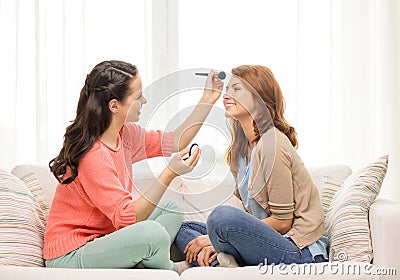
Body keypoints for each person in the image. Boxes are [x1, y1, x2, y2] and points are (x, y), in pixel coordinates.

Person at [43, 60, 223, 274]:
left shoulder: (125, 135)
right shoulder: (93, 156)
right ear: (114, 105)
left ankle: (142, 260)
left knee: (170, 208)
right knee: (152, 234)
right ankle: (172, 270)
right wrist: (169, 173)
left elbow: (176, 141)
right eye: (138, 97)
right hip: (71, 253)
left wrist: (208, 99)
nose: (144, 100)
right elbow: (129, 219)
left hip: (103, 238)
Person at [174, 65, 327, 267]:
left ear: (259, 98)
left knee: (221, 218)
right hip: (269, 241)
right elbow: (252, 218)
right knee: (182, 228)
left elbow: (283, 222)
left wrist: (215, 239)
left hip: (297, 250)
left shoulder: (272, 142)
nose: (227, 95)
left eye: (236, 89)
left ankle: (220, 262)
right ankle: (221, 263)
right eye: (228, 89)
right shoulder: (240, 150)